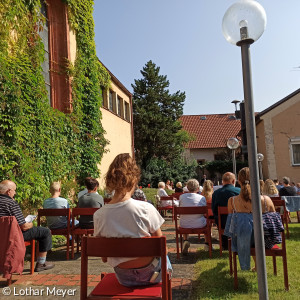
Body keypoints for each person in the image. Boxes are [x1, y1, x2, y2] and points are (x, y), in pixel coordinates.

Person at [93, 153, 172, 287]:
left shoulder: (99, 215)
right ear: (134, 179)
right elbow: (162, 249)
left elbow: (105, 259)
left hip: (123, 278)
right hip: (153, 275)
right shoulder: (146, 208)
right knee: (165, 256)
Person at [225, 168, 284, 270]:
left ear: (238, 181)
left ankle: (256, 266)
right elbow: (276, 223)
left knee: (246, 230)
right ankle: (258, 266)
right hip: (265, 241)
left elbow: (231, 226)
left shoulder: (232, 201)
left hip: (243, 242)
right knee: (256, 230)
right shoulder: (266, 200)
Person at [0, 180, 54, 272]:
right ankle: (41, 263)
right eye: (14, 190)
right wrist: (30, 223)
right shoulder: (11, 203)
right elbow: (23, 226)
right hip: (12, 236)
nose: (15, 193)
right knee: (45, 231)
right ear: (9, 191)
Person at [211, 172, 240, 250]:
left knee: (219, 218)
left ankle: (225, 245)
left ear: (222, 181)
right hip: (238, 221)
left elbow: (214, 210)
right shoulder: (239, 192)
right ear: (233, 181)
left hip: (222, 222)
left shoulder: (216, 193)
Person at [179, 179, 207, 254]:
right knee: (207, 221)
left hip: (184, 224)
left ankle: (185, 240)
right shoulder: (202, 198)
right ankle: (207, 244)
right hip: (199, 224)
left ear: (187, 188)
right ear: (198, 188)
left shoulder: (181, 197)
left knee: (185, 218)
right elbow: (205, 212)